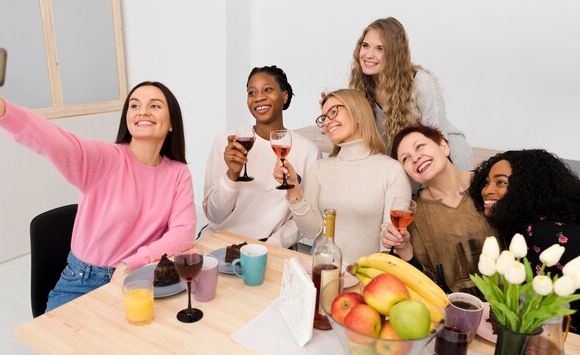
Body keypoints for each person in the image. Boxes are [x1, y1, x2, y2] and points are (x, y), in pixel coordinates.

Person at [0, 40, 196, 355]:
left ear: (172, 123)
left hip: (136, 283)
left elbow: (183, 232)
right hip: (80, 285)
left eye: (154, 105)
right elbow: (48, 139)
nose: (142, 111)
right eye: (134, 104)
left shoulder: (178, 173)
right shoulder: (103, 159)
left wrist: (131, 264)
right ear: (127, 118)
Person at [274, 88, 411, 267]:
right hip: (322, 271)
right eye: (323, 118)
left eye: (333, 112)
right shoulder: (320, 168)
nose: (327, 121)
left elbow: (389, 241)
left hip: (367, 277)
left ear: (357, 111)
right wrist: (293, 190)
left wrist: (368, 278)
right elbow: (311, 230)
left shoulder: (391, 170)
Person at [201, 65, 320, 248]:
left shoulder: (308, 151)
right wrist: (231, 175)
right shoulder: (227, 142)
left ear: (285, 95)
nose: (259, 98)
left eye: (268, 89)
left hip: (269, 246)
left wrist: (271, 245)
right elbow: (214, 215)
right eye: (251, 92)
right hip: (218, 241)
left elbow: (305, 217)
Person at [468, 149, 580, 332]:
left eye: (501, 182)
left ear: (527, 188)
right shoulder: (525, 229)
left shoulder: (539, 231)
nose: (487, 190)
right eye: (487, 182)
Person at [348, 17, 473, 171]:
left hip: (446, 157)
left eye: (380, 48)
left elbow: (438, 138)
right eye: (365, 46)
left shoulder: (421, 83)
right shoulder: (363, 85)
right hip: (406, 160)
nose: (368, 54)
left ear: (394, 54)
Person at [381, 125, 494, 295]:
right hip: (456, 312)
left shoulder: (490, 184)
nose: (415, 158)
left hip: (513, 308)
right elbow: (425, 284)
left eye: (419, 146)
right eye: (405, 158)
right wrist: (404, 250)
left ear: (444, 146)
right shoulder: (415, 214)